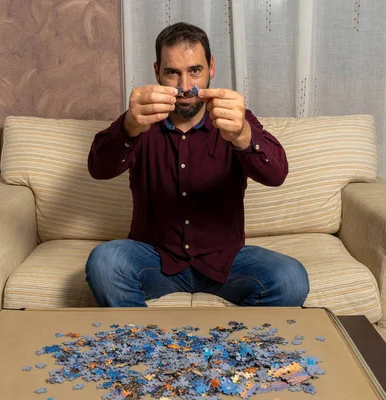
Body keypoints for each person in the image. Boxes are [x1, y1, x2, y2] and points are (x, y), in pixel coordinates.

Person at [86, 22, 309, 307]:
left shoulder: (235, 119)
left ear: (211, 68)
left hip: (225, 263)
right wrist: (128, 125)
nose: (185, 86)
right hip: (155, 260)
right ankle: (144, 344)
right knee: (105, 262)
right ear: (157, 72)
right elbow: (99, 167)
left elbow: (277, 174)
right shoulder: (141, 121)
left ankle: (236, 347)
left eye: (195, 71)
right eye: (172, 73)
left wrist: (242, 135)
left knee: (291, 277)